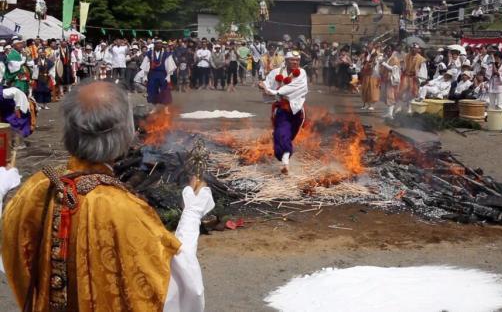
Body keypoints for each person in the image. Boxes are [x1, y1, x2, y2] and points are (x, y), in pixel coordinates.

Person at [1, 81, 213, 311]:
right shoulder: (123, 209)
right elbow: (173, 289)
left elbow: (12, 254)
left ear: (68, 131)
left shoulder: (35, 188)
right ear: (125, 133)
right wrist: (192, 213)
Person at [258, 51, 308, 175]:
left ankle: (285, 158)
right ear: (286, 60)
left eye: (297, 60)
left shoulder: (301, 73)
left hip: (297, 110)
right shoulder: (277, 72)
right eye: (292, 60)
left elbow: (295, 88)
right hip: (282, 109)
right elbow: (266, 83)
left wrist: (275, 92)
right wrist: (262, 85)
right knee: (281, 132)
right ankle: (285, 163)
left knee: (288, 136)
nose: (295, 62)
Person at [141, 40, 176, 107]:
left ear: (162, 45)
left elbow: (169, 66)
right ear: (154, 45)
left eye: (160, 44)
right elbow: (145, 65)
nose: (159, 45)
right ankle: (154, 107)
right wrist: (145, 76)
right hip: (152, 73)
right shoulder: (149, 53)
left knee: (165, 90)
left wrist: (168, 76)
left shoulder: (166, 54)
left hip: (162, 73)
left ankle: (166, 108)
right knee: (152, 89)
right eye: (157, 44)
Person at [398, 43, 427, 112]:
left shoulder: (421, 59)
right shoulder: (407, 56)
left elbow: (423, 70)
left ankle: (410, 108)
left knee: (413, 92)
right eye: (412, 48)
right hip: (406, 76)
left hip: (414, 77)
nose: (413, 50)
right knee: (402, 91)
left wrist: (421, 79)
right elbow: (403, 65)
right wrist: (402, 66)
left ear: (418, 50)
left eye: (415, 49)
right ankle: (400, 106)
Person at [380, 48, 402, 118]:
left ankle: (390, 114)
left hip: (391, 80)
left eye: (389, 51)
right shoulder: (387, 58)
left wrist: (385, 65)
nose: (388, 52)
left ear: (392, 51)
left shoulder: (395, 59)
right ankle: (388, 112)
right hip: (386, 79)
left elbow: (394, 69)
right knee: (386, 96)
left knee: (390, 96)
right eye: (387, 51)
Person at [360, 46, 381, 111]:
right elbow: (363, 64)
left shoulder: (376, 56)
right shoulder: (365, 55)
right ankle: (366, 104)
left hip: (373, 75)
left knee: (372, 90)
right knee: (365, 89)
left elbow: (375, 65)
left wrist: (371, 63)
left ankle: (371, 105)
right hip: (366, 75)